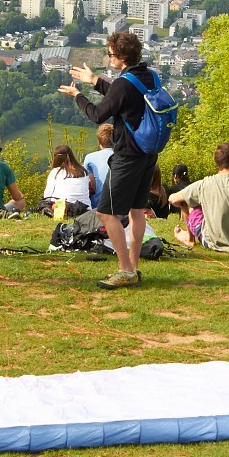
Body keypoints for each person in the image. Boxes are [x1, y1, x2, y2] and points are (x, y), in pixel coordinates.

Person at [59, 32, 159, 289]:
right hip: (148, 153)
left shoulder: (125, 83)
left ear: (122, 57)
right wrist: (95, 81)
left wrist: (78, 96)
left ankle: (124, 270)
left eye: (111, 54)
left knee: (106, 213)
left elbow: (97, 114)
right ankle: (133, 268)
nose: (109, 57)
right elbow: (124, 96)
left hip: (127, 155)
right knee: (137, 212)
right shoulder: (149, 75)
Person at [42, 144, 94, 217]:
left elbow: (47, 195)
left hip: (62, 209)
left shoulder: (55, 172)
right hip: (85, 210)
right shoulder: (83, 172)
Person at [83, 123, 114, 209]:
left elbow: (94, 186)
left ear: (98, 141)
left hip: (99, 203)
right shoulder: (124, 156)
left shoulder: (89, 158)